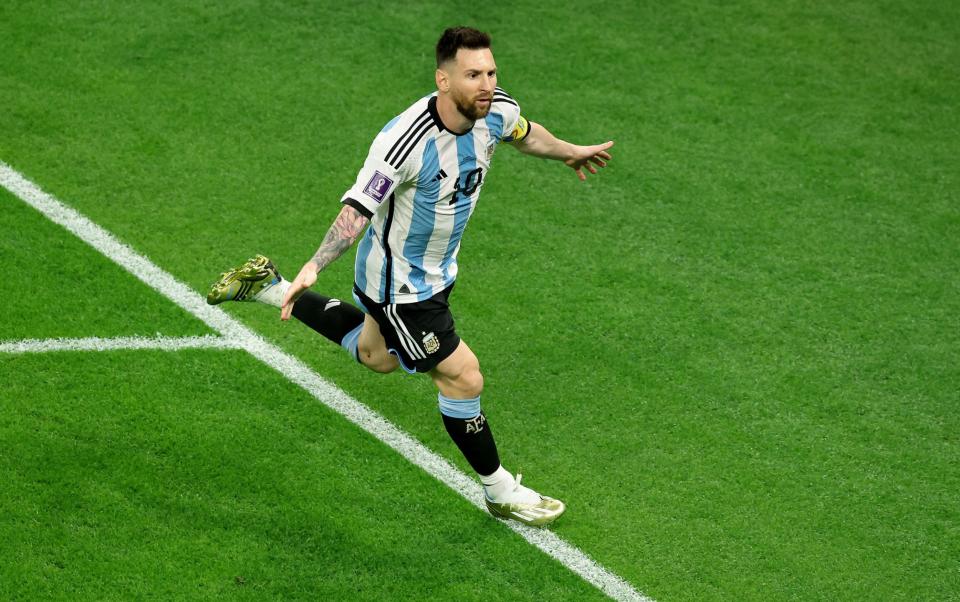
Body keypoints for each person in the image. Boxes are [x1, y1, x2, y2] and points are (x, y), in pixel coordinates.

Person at [207, 26, 613, 527]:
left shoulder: (496, 110)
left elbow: (525, 134)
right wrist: (316, 263)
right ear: (443, 80)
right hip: (402, 288)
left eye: (490, 72)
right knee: (464, 377)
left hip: (435, 272)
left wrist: (569, 150)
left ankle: (267, 285)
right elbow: (359, 207)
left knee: (376, 358)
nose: (485, 84)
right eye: (472, 75)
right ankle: (501, 490)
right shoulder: (403, 141)